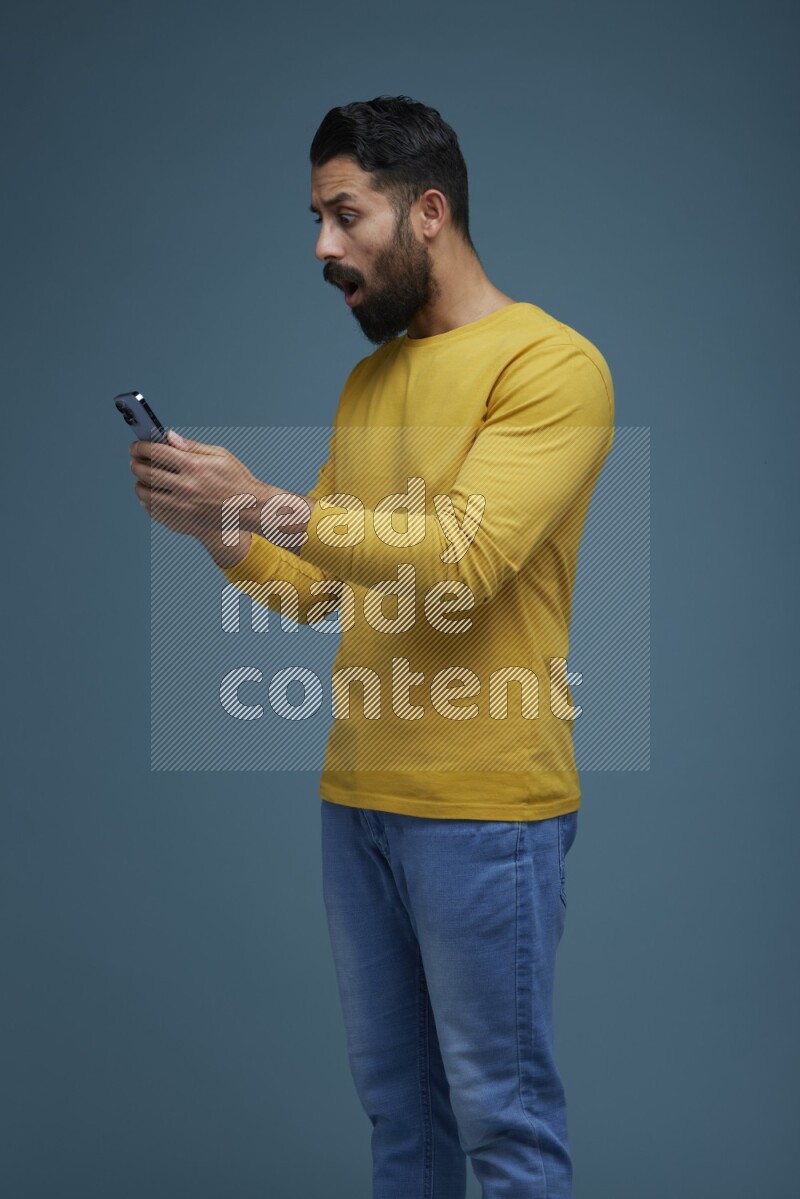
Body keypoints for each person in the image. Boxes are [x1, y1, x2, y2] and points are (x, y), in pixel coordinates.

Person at [129, 95, 614, 1199]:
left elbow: (458, 560)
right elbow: (317, 593)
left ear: (427, 210)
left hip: (485, 807)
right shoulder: (371, 380)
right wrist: (223, 527)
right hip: (358, 800)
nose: (322, 248)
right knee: (401, 1115)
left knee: (502, 1120)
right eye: (314, 218)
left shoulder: (550, 365)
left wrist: (266, 501)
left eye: (344, 216)